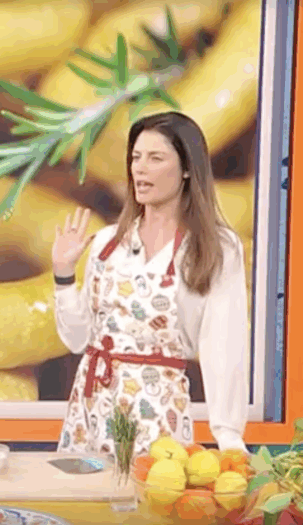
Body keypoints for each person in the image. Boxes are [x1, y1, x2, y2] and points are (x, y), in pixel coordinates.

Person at [54, 111, 250, 455]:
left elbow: (225, 343)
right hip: (91, 412)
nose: (139, 168)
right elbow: (77, 340)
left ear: (187, 168)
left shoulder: (215, 247)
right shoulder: (105, 243)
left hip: (160, 418)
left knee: (151, 504)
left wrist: (229, 435)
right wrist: (64, 276)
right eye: (135, 158)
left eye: (155, 158)